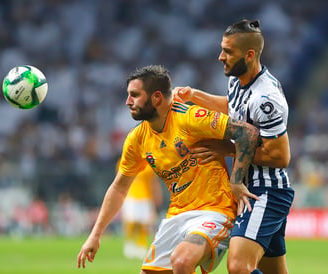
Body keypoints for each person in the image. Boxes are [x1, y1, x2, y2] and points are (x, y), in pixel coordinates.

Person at [77, 65, 260, 273]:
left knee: (182, 261)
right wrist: (96, 234)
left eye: (135, 95)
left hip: (214, 210)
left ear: (156, 98)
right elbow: (119, 188)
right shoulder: (137, 138)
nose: (128, 101)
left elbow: (248, 133)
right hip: (176, 215)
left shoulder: (190, 117)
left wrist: (235, 181)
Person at [173, 19, 295, 274]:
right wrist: (195, 96)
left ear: (249, 55)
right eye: (222, 49)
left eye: (228, 51)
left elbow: (281, 157)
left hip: (265, 192)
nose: (220, 57)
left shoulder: (266, 99)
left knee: (239, 266)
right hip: (251, 188)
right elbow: (233, 109)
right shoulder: (238, 81)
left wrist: (228, 149)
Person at [120, 162, 162, 260]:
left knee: (144, 223)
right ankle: (129, 244)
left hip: (146, 197)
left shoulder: (150, 165)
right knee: (131, 222)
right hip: (131, 196)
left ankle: (141, 246)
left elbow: (154, 183)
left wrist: (157, 196)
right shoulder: (124, 161)